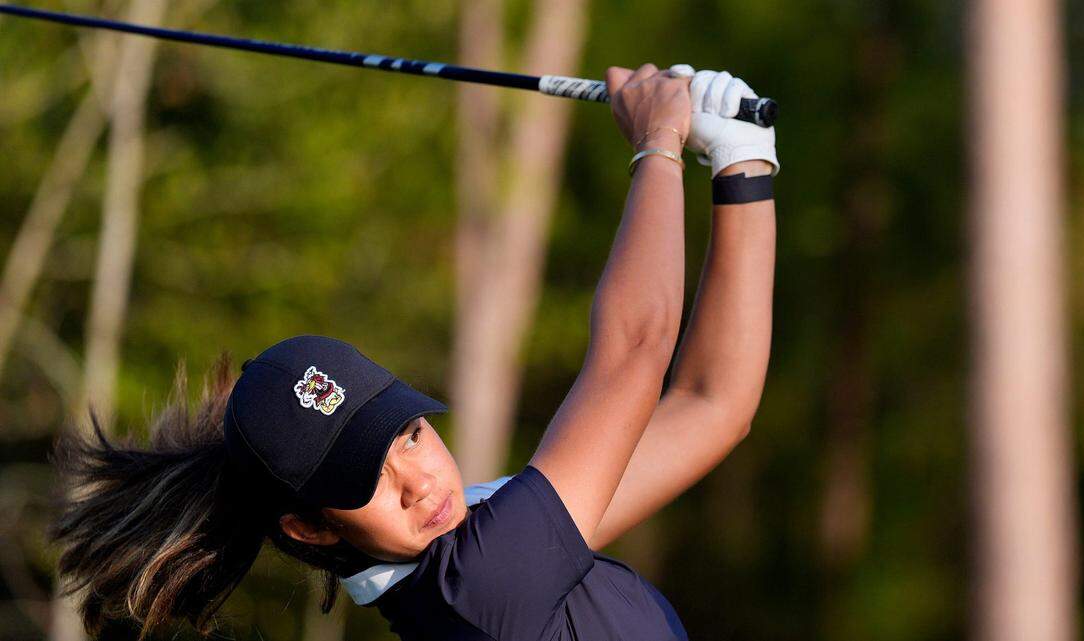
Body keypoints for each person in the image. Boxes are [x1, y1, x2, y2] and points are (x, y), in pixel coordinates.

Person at [48, 63, 778, 641]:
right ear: (311, 528)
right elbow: (634, 351)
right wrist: (659, 144)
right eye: (367, 473)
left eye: (408, 432)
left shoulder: (487, 532)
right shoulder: (481, 588)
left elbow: (712, 406)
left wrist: (742, 161)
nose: (416, 477)